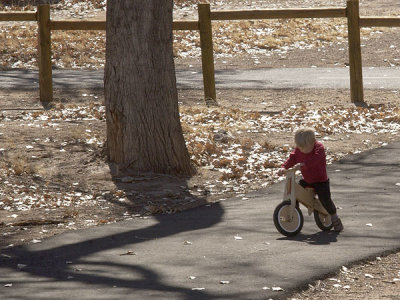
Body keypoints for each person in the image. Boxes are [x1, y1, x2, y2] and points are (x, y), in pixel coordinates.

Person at [278, 127, 344, 232]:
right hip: (308, 180)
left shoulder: (319, 148)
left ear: (313, 142)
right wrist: (284, 167)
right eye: (300, 147)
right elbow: (292, 159)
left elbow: (315, 160)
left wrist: (304, 164)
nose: (302, 150)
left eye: (305, 148)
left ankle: (334, 217)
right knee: (295, 190)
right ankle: (294, 210)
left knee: (325, 199)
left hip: (320, 180)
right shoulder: (299, 150)